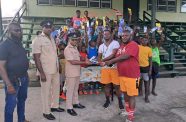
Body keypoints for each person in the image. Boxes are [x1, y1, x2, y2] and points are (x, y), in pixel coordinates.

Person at [104, 30, 140, 122]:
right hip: (122, 75)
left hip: (133, 76)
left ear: (130, 36)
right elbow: (114, 56)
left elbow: (126, 56)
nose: (124, 37)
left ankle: (131, 117)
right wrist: (103, 61)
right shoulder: (121, 47)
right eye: (123, 36)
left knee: (132, 96)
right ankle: (128, 111)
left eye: (126, 35)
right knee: (125, 94)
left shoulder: (133, 45)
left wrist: (111, 61)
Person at [32, 20, 65, 120]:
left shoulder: (51, 38)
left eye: (50, 27)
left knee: (55, 89)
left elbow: (54, 54)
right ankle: (46, 112)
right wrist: (41, 73)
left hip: (55, 69)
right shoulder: (37, 40)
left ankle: (54, 106)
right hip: (45, 71)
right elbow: (36, 58)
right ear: (42, 28)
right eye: (47, 27)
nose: (49, 29)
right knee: (45, 92)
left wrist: (58, 65)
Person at [0, 22, 30, 122]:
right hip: (12, 80)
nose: (19, 32)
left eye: (20, 30)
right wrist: (8, 85)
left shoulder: (18, 43)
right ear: (9, 32)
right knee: (10, 105)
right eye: (16, 30)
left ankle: (21, 119)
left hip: (24, 78)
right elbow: (1, 66)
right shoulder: (4, 45)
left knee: (22, 101)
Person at [64, 32, 92, 116]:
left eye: (76, 40)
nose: (75, 41)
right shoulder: (67, 49)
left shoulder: (75, 48)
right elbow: (72, 61)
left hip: (77, 72)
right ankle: (69, 107)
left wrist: (86, 58)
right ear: (69, 40)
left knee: (76, 89)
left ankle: (75, 103)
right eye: (73, 40)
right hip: (71, 73)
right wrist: (84, 62)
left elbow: (79, 57)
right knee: (70, 90)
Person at [98, 30, 124, 112]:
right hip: (105, 69)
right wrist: (100, 62)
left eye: (107, 34)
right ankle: (107, 100)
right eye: (104, 34)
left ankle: (120, 101)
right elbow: (99, 56)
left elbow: (113, 55)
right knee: (107, 85)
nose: (105, 35)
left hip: (114, 67)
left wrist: (103, 61)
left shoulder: (115, 43)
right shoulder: (101, 46)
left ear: (111, 35)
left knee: (117, 86)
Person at [138, 36, 152, 103]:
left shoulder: (149, 49)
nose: (144, 41)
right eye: (143, 40)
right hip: (138, 67)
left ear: (147, 41)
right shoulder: (138, 47)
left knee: (146, 82)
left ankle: (146, 97)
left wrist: (150, 69)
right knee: (138, 81)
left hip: (146, 68)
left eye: (146, 40)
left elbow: (150, 60)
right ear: (141, 41)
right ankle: (139, 92)